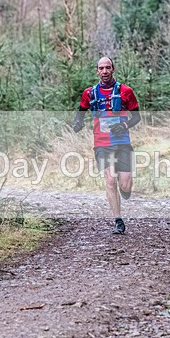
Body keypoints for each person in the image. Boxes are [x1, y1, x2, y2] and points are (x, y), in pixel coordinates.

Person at [72, 57, 141, 234]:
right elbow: (79, 114)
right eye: (101, 68)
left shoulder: (126, 91)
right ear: (97, 71)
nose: (104, 71)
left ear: (113, 69)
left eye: (107, 68)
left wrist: (124, 125)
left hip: (123, 143)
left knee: (124, 186)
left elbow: (137, 117)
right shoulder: (89, 93)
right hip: (101, 144)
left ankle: (125, 192)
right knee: (110, 181)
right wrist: (78, 124)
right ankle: (118, 221)